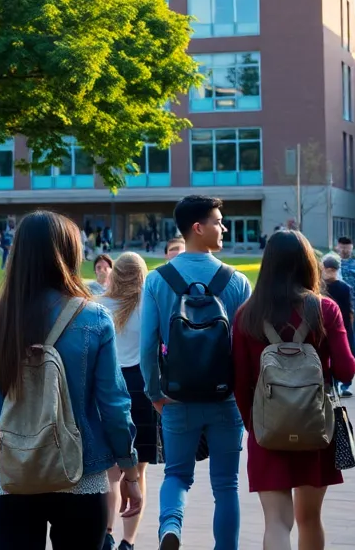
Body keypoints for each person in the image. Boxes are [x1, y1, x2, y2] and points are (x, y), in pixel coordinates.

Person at [0, 211, 140, 549]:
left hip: (9, 471)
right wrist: (129, 472)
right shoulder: (94, 317)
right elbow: (115, 405)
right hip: (80, 470)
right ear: (69, 255)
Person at [231, 230, 355, 550]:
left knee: (276, 521)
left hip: (267, 428)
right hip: (315, 427)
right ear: (307, 263)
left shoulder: (247, 314)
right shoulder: (325, 310)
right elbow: (346, 370)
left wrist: (253, 425)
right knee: (310, 519)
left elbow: (240, 380)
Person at [140, 195, 252, 550]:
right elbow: (246, 350)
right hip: (226, 397)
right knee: (226, 485)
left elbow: (147, 347)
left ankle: (170, 527)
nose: (224, 228)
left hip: (177, 396)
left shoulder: (158, 280)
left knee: (176, 475)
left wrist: (155, 392)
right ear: (197, 228)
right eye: (218, 221)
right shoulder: (236, 282)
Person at [100, 252, 161, 550]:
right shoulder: (150, 307)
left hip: (108, 385)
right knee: (140, 472)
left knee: (110, 471)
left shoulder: (99, 305)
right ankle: (129, 541)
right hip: (143, 388)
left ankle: (107, 534)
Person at [320, 253, 355, 397]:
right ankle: (332, 384)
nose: (329, 273)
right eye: (327, 270)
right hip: (326, 327)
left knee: (344, 354)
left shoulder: (343, 288)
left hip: (342, 326)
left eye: (332, 270)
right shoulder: (320, 287)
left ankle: (345, 385)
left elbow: (350, 310)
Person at [336, 237, 355, 360]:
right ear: (337, 247)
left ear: (351, 248)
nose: (344, 251)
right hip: (337, 299)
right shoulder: (332, 261)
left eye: (347, 248)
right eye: (342, 247)